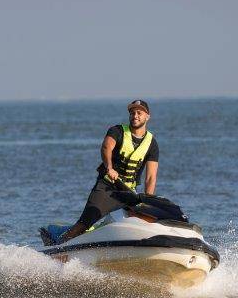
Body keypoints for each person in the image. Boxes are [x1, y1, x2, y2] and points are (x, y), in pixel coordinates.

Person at [43, 99, 159, 245]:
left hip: (129, 193)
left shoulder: (152, 143)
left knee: (142, 221)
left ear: (147, 116)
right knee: (85, 224)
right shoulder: (117, 131)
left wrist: (147, 202)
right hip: (107, 187)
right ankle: (59, 244)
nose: (135, 115)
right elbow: (106, 148)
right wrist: (109, 167)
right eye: (132, 112)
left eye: (139, 113)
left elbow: (151, 177)